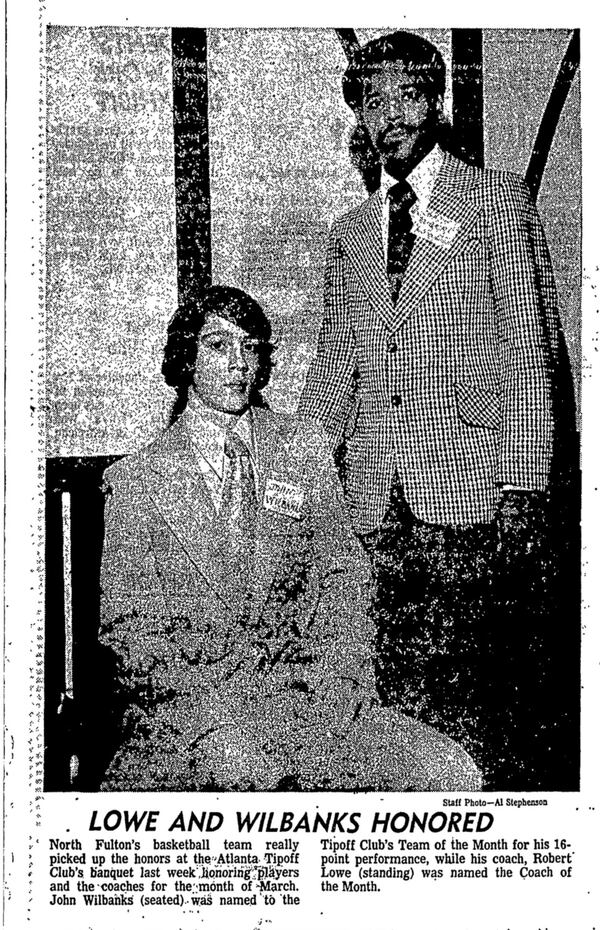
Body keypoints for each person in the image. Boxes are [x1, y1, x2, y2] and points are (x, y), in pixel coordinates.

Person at [298, 31, 578, 788]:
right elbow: (335, 367)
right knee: (392, 698)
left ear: (435, 102)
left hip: (471, 493)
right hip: (372, 502)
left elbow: (530, 355)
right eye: (370, 99)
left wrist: (524, 490)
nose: (386, 114)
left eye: (403, 94)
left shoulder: (494, 203)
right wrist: (288, 475)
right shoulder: (350, 234)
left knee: (480, 698)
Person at [97, 284, 481, 791]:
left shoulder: (303, 447)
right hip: (193, 721)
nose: (239, 363)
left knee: (449, 772)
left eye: (250, 347)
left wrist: (340, 684)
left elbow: (346, 577)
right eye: (217, 346)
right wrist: (212, 722)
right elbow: (128, 635)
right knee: (245, 780)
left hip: (311, 704)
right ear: (185, 358)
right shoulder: (137, 481)